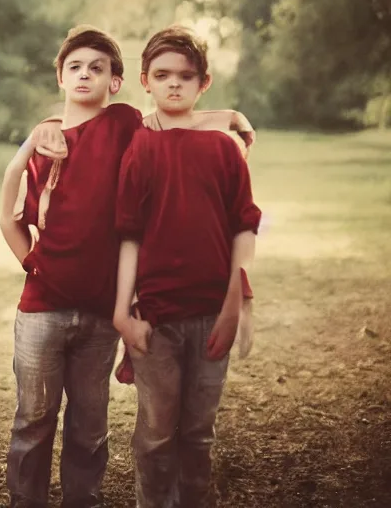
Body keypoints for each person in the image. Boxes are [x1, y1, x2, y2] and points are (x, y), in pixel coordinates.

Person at [0, 26, 253, 508]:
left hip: (99, 313)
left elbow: (171, 116)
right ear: (59, 76)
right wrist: (35, 264)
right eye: (74, 67)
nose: (85, 74)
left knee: (89, 425)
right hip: (42, 309)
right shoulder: (45, 148)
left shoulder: (121, 123)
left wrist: (229, 116)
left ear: (117, 82)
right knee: (33, 419)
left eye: (97, 68)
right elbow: (12, 221)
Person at [113, 26, 261, 508]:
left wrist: (235, 306)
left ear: (204, 83)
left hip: (210, 312)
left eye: (186, 75)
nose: (173, 84)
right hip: (153, 315)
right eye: (162, 75)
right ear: (145, 81)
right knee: (156, 435)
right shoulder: (139, 145)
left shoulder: (224, 150)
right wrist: (122, 312)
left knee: (198, 433)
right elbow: (129, 234)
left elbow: (244, 227)